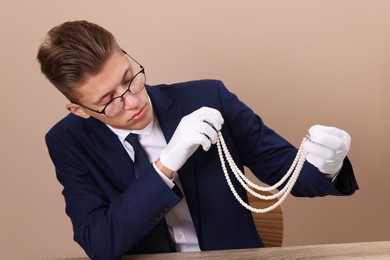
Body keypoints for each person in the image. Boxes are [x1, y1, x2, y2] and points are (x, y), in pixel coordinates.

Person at [37, 20, 358, 260]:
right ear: (79, 110)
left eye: (129, 78)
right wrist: (165, 165)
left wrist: (325, 164)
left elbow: (288, 175)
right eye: (110, 100)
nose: (133, 101)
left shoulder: (208, 96)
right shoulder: (68, 141)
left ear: (126, 55)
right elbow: (100, 244)